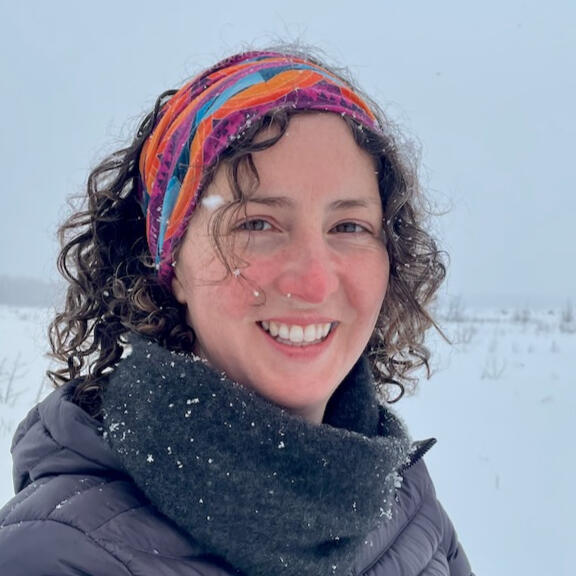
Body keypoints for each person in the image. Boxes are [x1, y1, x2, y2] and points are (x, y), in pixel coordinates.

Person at [0, 48, 473, 575]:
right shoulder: (58, 556)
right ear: (170, 264)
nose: (315, 281)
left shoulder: (408, 504)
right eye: (256, 224)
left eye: (348, 227)